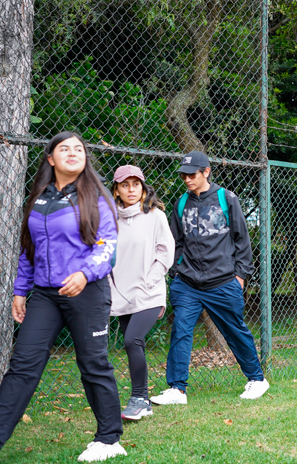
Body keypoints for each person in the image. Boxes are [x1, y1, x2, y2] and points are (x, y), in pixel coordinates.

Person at [0, 132, 125, 463]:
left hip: (87, 291)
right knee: (23, 363)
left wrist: (85, 273)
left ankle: (109, 438)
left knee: (93, 364)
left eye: (79, 149)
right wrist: (20, 290)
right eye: (65, 149)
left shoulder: (96, 198)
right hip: (45, 295)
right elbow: (29, 250)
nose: (73, 153)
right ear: (50, 159)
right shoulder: (40, 199)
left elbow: (108, 246)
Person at [150, 151, 269, 404]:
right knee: (181, 331)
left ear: (206, 172)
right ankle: (177, 389)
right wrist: (177, 271)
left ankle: (257, 379)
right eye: (184, 175)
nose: (187, 180)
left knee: (235, 331)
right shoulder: (181, 203)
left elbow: (242, 240)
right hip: (188, 284)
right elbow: (176, 242)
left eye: (192, 175)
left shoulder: (227, 199)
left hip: (224, 282)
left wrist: (240, 276)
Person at [109, 165, 174, 420]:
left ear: (143, 188)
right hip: (122, 293)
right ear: (116, 190)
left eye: (136, 184)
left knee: (131, 340)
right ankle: (144, 401)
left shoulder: (155, 216)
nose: (131, 189)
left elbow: (165, 253)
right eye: (125, 185)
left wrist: (151, 281)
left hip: (149, 292)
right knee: (135, 344)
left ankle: (138, 398)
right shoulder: (110, 218)